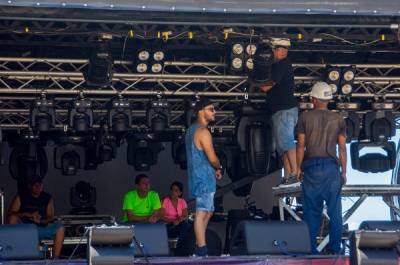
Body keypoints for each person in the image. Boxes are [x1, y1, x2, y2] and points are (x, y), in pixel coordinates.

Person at [296, 82, 347, 254]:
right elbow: (342, 148)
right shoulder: (338, 119)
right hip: (332, 169)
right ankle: (335, 250)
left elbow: (300, 146)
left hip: (311, 169)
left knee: (311, 213)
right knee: (335, 213)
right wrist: (344, 172)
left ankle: (310, 251)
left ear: (314, 99)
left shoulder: (305, 117)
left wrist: (297, 169)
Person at [185, 97, 223, 256]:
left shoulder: (191, 130)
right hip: (203, 178)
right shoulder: (202, 131)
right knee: (202, 212)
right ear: (201, 111)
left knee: (208, 211)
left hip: (200, 176)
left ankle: (199, 246)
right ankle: (201, 249)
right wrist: (219, 166)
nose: (214, 112)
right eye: (211, 109)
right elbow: (212, 157)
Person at [258, 38, 298, 184]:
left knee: (286, 142)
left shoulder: (283, 63)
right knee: (282, 147)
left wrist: (255, 80)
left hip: (284, 110)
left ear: (282, 50)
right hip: (281, 111)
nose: (272, 53)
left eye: (274, 49)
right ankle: (288, 176)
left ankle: (294, 173)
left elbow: (266, 87)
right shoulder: (278, 65)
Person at [6, 177, 65, 259]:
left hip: (41, 227)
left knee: (60, 227)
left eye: (40, 185)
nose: (38, 188)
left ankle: (55, 259)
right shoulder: (21, 196)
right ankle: (10, 252)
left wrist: (40, 221)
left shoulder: (47, 197)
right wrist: (28, 214)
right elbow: (11, 213)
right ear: (30, 186)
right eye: (36, 185)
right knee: (12, 218)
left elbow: (50, 217)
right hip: (24, 228)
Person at [161, 181, 190, 247]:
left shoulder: (182, 201)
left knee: (187, 226)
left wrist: (180, 219)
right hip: (168, 226)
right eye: (172, 190)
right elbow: (161, 216)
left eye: (176, 190)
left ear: (180, 193)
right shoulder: (165, 201)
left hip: (178, 226)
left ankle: (180, 246)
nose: (172, 192)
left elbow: (185, 215)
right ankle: (179, 247)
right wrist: (172, 221)